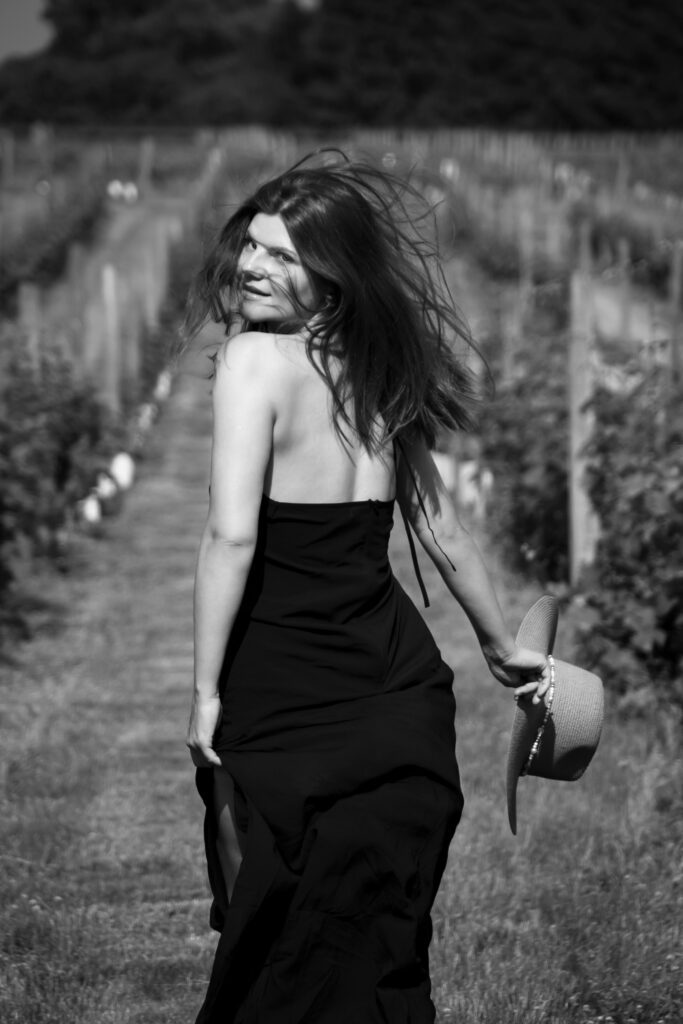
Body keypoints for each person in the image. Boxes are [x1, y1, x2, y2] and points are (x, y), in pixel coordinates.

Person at [183, 153, 550, 1024]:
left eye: (282, 257)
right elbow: (441, 527)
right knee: (373, 925)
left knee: (272, 919)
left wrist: (203, 691)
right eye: (252, 249)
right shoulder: (379, 370)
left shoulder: (252, 362)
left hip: (284, 683)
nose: (252, 267)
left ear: (333, 276)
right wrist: (502, 648)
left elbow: (232, 534)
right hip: (395, 689)